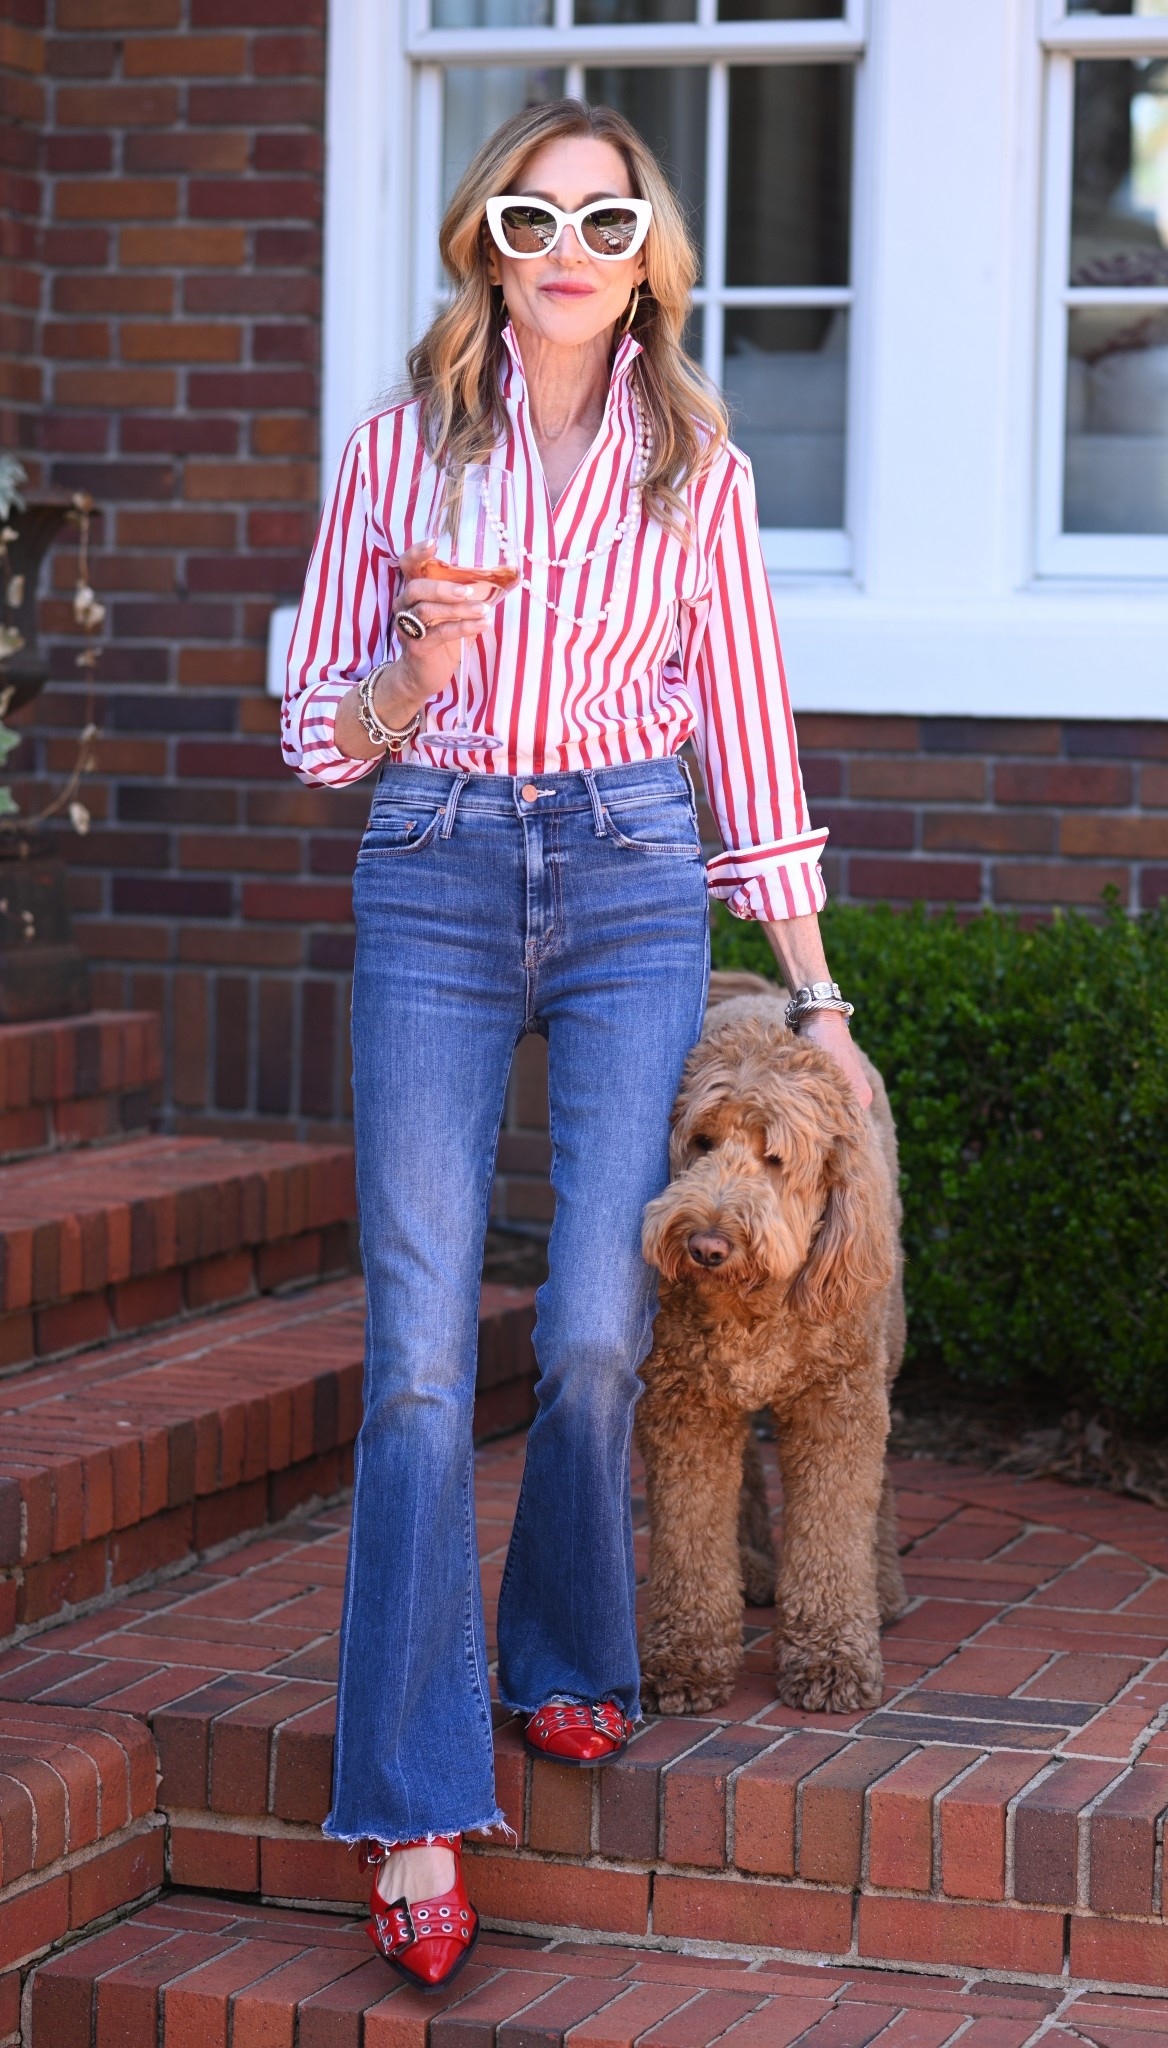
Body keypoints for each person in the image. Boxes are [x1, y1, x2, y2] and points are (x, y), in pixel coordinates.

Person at [280, 98, 869, 1994]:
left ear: (645, 260)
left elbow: (751, 736)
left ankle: (561, 1654)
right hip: (436, 867)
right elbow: (314, 735)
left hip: (629, 870)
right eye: (529, 213)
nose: (564, 245)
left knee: (605, 1325)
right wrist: (417, 670)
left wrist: (817, 997)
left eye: (604, 220)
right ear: (484, 241)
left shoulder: (697, 465)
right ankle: (413, 1796)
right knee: (420, 1357)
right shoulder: (395, 452)